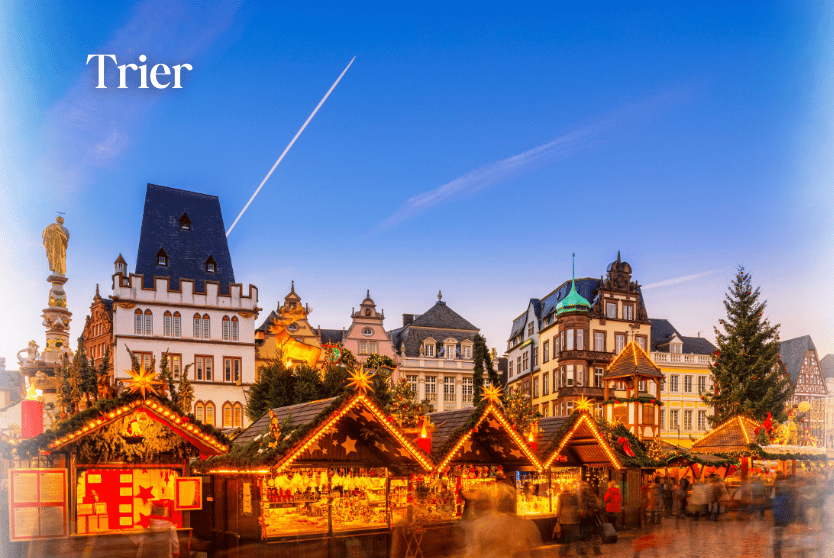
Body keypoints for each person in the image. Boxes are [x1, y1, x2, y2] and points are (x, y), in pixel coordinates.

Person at [555, 485, 580, 557]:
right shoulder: (574, 495)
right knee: (573, 535)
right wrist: (577, 513)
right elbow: (578, 505)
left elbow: (559, 507)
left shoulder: (561, 496)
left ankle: (562, 552)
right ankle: (579, 550)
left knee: (566, 535)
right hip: (573, 517)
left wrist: (557, 516)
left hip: (564, 518)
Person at [578, 481, 603, 556]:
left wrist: (582, 511)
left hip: (587, 516)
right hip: (594, 516)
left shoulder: (583, 494)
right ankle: (597, 550)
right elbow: (598, 504)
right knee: (595, 534)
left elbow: (583, 505)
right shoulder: (592, 493)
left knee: (587, 534)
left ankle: (585, 551)